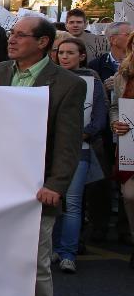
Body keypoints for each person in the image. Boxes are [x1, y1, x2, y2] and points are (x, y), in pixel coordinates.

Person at [0, 16, 85, 296]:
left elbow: (68, 143)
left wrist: (56, 185)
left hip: (37, 187)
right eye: (12, 34)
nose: (13, 40)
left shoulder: (66, 84)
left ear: (43, 42)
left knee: (34, 261)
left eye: (21, 35)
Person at [49, 37, 106, 274]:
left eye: (70, 53)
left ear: (81, 55)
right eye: (61, 52)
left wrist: (83, 134)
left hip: (79, 150)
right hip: (50, 151)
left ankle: (68, 253)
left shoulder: (93, 80)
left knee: (72, 203)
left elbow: (99, 117)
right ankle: (51, 249)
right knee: (53, 203)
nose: (64, 57)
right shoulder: (50, 79)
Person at [87, 21, 131, 247]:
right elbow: (98, 101)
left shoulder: (129, 68)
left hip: (130, 137)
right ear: (113, 39)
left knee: (128, 187)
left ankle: (126, 229)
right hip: (106, 133)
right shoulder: (97, 64)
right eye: (128, 33)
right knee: (101, 182)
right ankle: (100, 226)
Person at [107, 29, 134, 269]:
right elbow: (116, 106)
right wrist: (116, 123)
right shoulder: (123, 75)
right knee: (130, 195)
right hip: (130, 143)